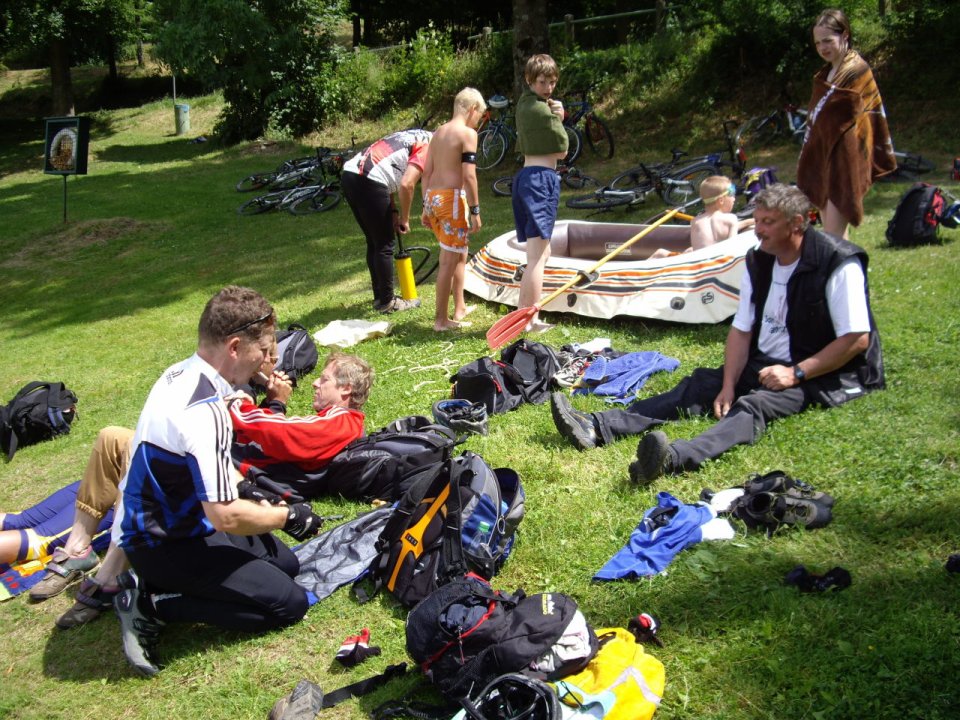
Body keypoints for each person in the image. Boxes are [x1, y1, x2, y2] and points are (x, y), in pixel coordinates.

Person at [550, 184, 884, 483]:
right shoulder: (760, 260)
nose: (759, 230)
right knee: (699, 385)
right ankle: (597, 426)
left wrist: (795, 373)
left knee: (755, 405)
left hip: (821, 373)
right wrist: (727, 385)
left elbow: (857, 339)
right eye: (757, 220)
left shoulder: (838, 261)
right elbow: (741, 330)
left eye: (768, 222)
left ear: (797, 223)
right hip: (766, 362)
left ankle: (671, 459)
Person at [111, 286, 324, 677]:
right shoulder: (203, 410)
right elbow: (225, 516)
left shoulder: (182, 372)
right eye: (264, 350)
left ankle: (162, 586)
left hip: (182, 519)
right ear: (235, 347)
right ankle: (153, 603)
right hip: (163, 543)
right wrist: (287, 517)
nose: (268, 361)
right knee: (289, 604)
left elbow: (201, 466)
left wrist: (246, 489)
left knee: (287, 564)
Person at [796, 7, 895, 239]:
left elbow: (856, 117)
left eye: (828, 41)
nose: (823, 48)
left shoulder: (856, 71)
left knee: (832, 237)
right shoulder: (824, 75)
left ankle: (843, 264)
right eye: (818, 43)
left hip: (845, 161)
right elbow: (819, 120)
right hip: (824, 158)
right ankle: (849, 264)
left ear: (845, 35)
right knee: (836, 237)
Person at [230, 351, 372, 475]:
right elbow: (270, 438)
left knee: (240, 387)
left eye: (324, 379)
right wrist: (272, 402)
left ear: (346, 389)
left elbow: (280, 433)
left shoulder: (342, 423)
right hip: (251, 468)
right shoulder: (345, 424)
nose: (315, 383)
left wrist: (235, 405)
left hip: (244, 469)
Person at [341, 128, 433, 313]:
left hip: (350, 175)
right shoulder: (428, 146)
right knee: (384, 244)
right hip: (369, 179)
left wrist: (393, 211)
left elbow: (387, 169)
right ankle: (388, 302)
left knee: (374, 242)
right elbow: (407, 184)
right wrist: (405, 219)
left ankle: (380, 297)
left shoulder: (413, 135)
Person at [420, 88, 487, 332]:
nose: (478, 121)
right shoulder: (468, 134)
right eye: (480, 115)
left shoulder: (438, 132)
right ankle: (440, 320)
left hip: (434, 198)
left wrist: (425, 206)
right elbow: (469, 176)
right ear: (472, 109)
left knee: (460, 253)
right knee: (448, 261)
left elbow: (427, 173)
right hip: (451, 200)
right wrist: (475, 210)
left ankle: (459, 308)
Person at [513, 54, 569, 333]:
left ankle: (522, 315)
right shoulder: (541, 111)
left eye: (552, 82)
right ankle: (530, 320)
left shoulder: (525, 104)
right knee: (537, 256)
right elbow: (562, 149)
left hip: (526, 178)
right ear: (529, 80)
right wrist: (559, 117)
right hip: (540, 180)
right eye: (542, 82)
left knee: (539, 254)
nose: (548, 88)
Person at [650, 176, 754, 259]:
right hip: (715, 266)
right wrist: (752, 221)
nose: (734, 198)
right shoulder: (731, 219)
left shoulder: (695, 221)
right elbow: (732, 247)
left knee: (664, 252)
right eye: (732, 194)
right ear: (721, 200)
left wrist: (747, 222)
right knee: (689, 250)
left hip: (697, 263)